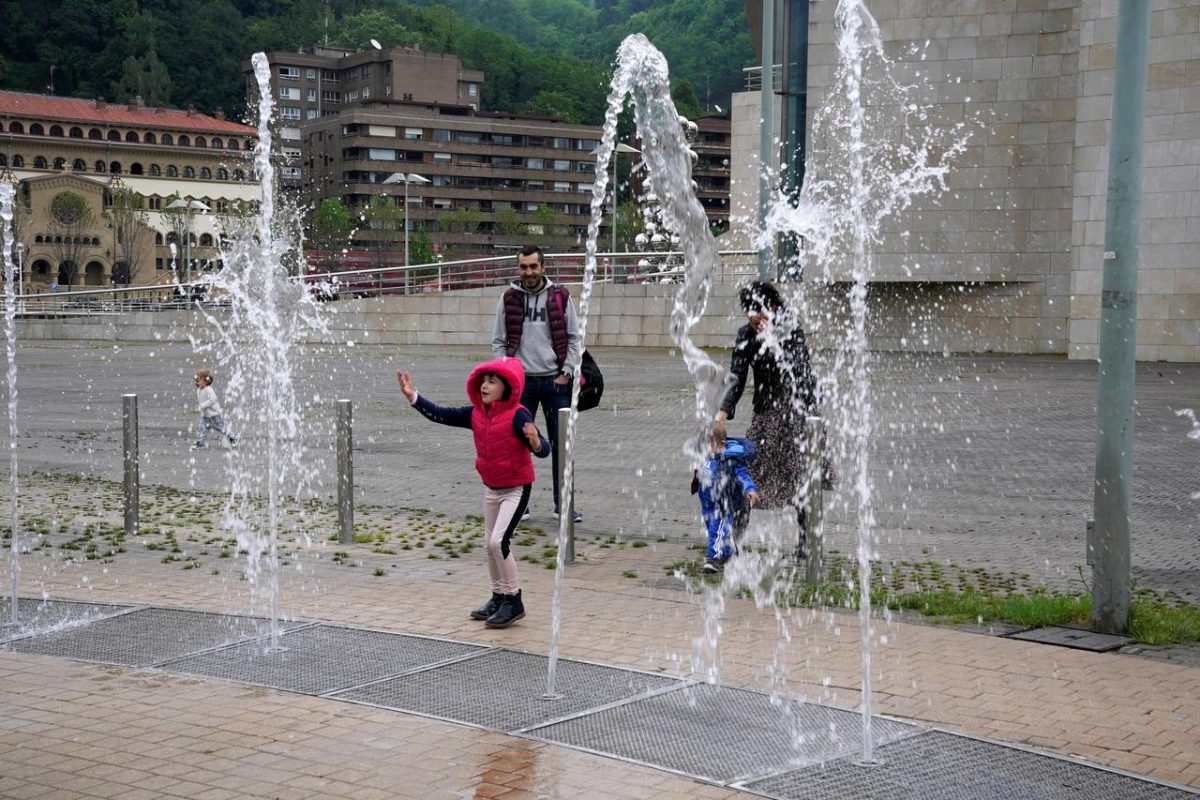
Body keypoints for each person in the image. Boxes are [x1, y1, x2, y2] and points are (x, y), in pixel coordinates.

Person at [398, 357, 550, 629]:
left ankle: (514, 600)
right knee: (488, 546)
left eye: (492, 381)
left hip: (516, 489)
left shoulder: (518, 415)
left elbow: (544, 449)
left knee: (498, 542)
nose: (485, 385)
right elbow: (442, 413)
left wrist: (536, 441)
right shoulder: (476, 414)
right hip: (492, 489)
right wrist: (413, 397)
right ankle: (498, 596)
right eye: (483, 380)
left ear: (507, 387)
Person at [710, 282, 819, 560]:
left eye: (757, 311)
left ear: (772, 307)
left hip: (796, 417)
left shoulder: (791, 330)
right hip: (765, 419)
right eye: (748, 312)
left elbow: (803, 375)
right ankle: (734, 543)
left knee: (800, 478)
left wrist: (775, 343)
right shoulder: (745, 335)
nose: (753, 318)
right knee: (748, 477)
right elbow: (735, 378)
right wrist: (722, 413)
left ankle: (806, 542)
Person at [491, 244, 583, 523]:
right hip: (521, 386)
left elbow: (575, 338)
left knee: (561, 445)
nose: (528, 272)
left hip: (555, 383)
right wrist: (506, 375)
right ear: (518, 269)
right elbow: (498, 342)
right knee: (518, 445)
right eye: (523, 267)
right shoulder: (508, 298)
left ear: (543, 267)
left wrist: (566, 373)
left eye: (533, 266)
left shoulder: (560, 296)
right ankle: (520, 506)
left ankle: (563, 505)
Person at [693, 437, 760, 573]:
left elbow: (743, 476)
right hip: (708, 504)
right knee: (715, 530)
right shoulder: (710, 457)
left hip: (724, 505)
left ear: (722, 444)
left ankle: (714, 560)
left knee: (716, 530)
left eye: (712, 445)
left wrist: (749, 489)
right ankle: (727, 551)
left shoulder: (732, 461)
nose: (709, 448)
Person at [191, 369, 238, 449]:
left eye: (198, 381)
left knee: (221, 427)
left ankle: (233, 437)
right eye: (195, 381)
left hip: (214, 414)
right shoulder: (199, 390)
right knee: (202, 427)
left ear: (205, 381)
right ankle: (200, 442)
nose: (196, 383)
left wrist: (202, 406)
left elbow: (212, 400)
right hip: (206, 415)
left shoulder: (209, 390)